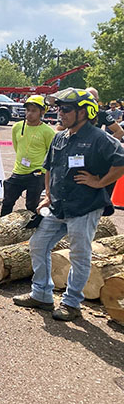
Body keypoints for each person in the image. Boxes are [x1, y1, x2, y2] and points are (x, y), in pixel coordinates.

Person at [13, 88, 124, 321]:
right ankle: (41, 293)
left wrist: (99, 182)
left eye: (65, 109)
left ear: (83, 112)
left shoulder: (98, 138)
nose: (59, 113)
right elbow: (49, 167)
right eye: (58, 108)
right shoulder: (60, 137)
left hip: (84, 207)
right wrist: (47, 195)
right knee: (37, 244)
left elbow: (121, 162)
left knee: (79, 255)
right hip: (59, 206)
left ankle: (72, 303)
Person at [0, 95, 55, 216]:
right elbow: (17, 146)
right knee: (7, 202)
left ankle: (33, 230)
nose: (29, 113)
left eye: (33, 111)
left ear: (42, 112)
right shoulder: (17, 127)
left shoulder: (48, 131)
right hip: (19, 171)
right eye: (27, 110)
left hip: (37, 173)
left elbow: (51, 154)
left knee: (32, 206)